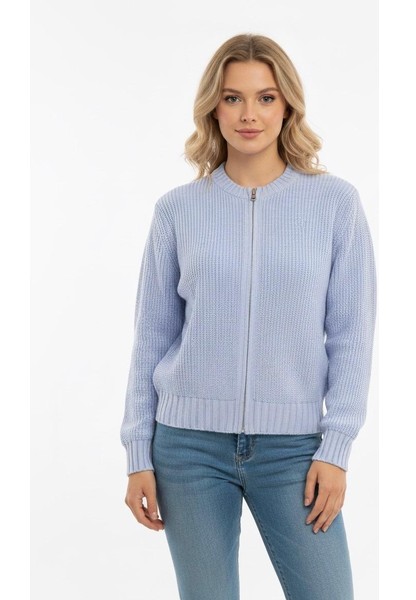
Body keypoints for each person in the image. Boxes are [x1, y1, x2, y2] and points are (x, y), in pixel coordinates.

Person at [120, 33, 377, 600]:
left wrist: (336, 447)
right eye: (232, 98)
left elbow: (353, 335)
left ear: (287, 106)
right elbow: (152, 339)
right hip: (187, 449)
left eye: (265, 97)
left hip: (294, 451)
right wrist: (138, 452)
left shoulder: (335, 204)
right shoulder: (177, 211)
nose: (248, 114)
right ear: (213, 107)